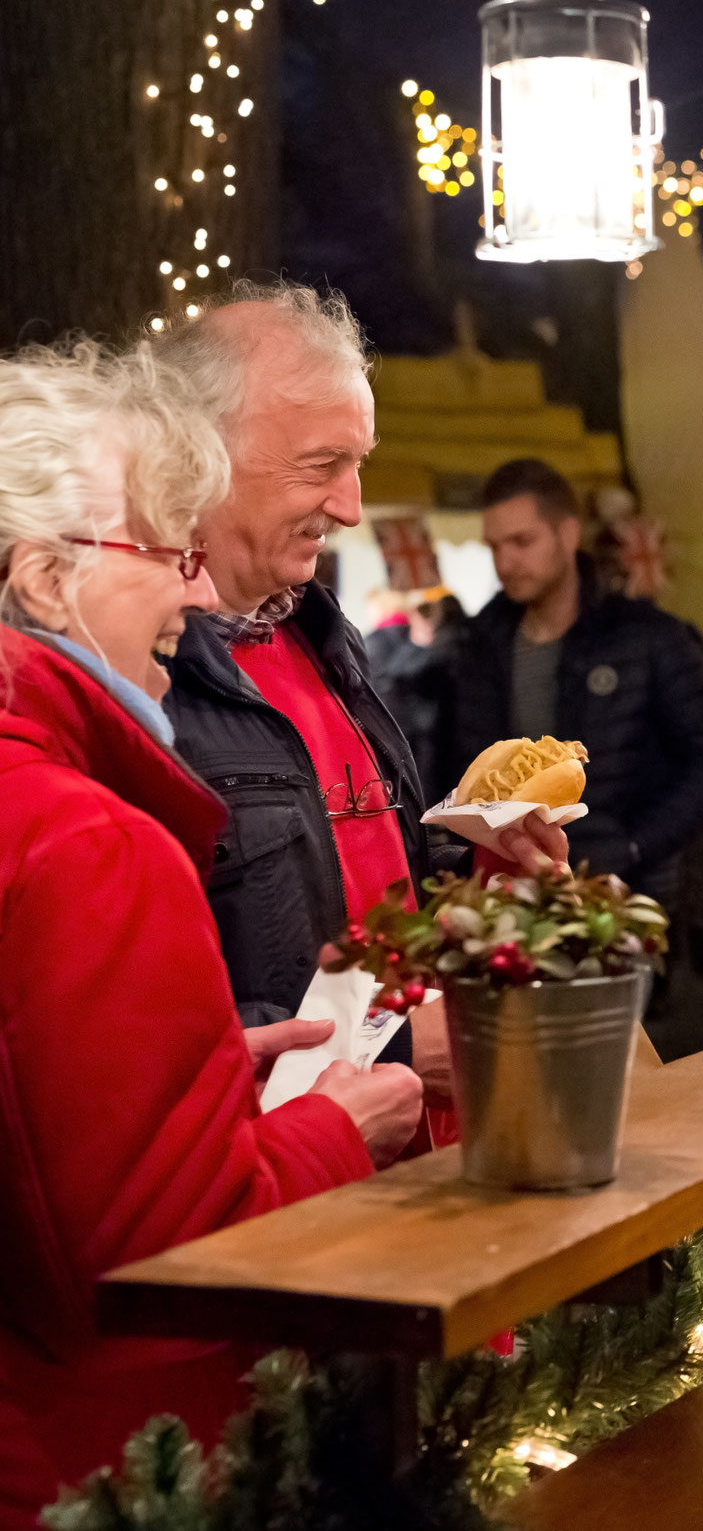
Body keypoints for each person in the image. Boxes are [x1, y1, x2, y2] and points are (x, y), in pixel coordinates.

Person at [0, 343, 421, 1526]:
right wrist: (339, 1128)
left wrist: (195, 1090)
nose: (193, 597)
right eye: (164, 553)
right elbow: (158, 1267)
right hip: (110, 1467)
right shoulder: (87, 837)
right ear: (46, 580)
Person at [151, 283, 566, 1075]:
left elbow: (369, 872)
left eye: (358, 463)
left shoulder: (320, 631)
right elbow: (143, 1021)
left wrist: (482, 878)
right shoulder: (136, 674)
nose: (351, 506)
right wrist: (391, 1048)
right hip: (293, 1151)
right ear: (198, 455)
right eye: (323, 465)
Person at [446, 458, 703, 888]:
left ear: (568, 534)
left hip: (625, 887)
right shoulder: (482, 644)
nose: (505, 562)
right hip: (513, 885)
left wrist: (636, 846)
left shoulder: (646, 636)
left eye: (522, 541)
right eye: (494, 547)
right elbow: (463, 766)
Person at [367, 589, 466, 803]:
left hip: (429, 732)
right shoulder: (405, 640)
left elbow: (402, 672)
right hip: (425, 730)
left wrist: (419, 640)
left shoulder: (446, 643)